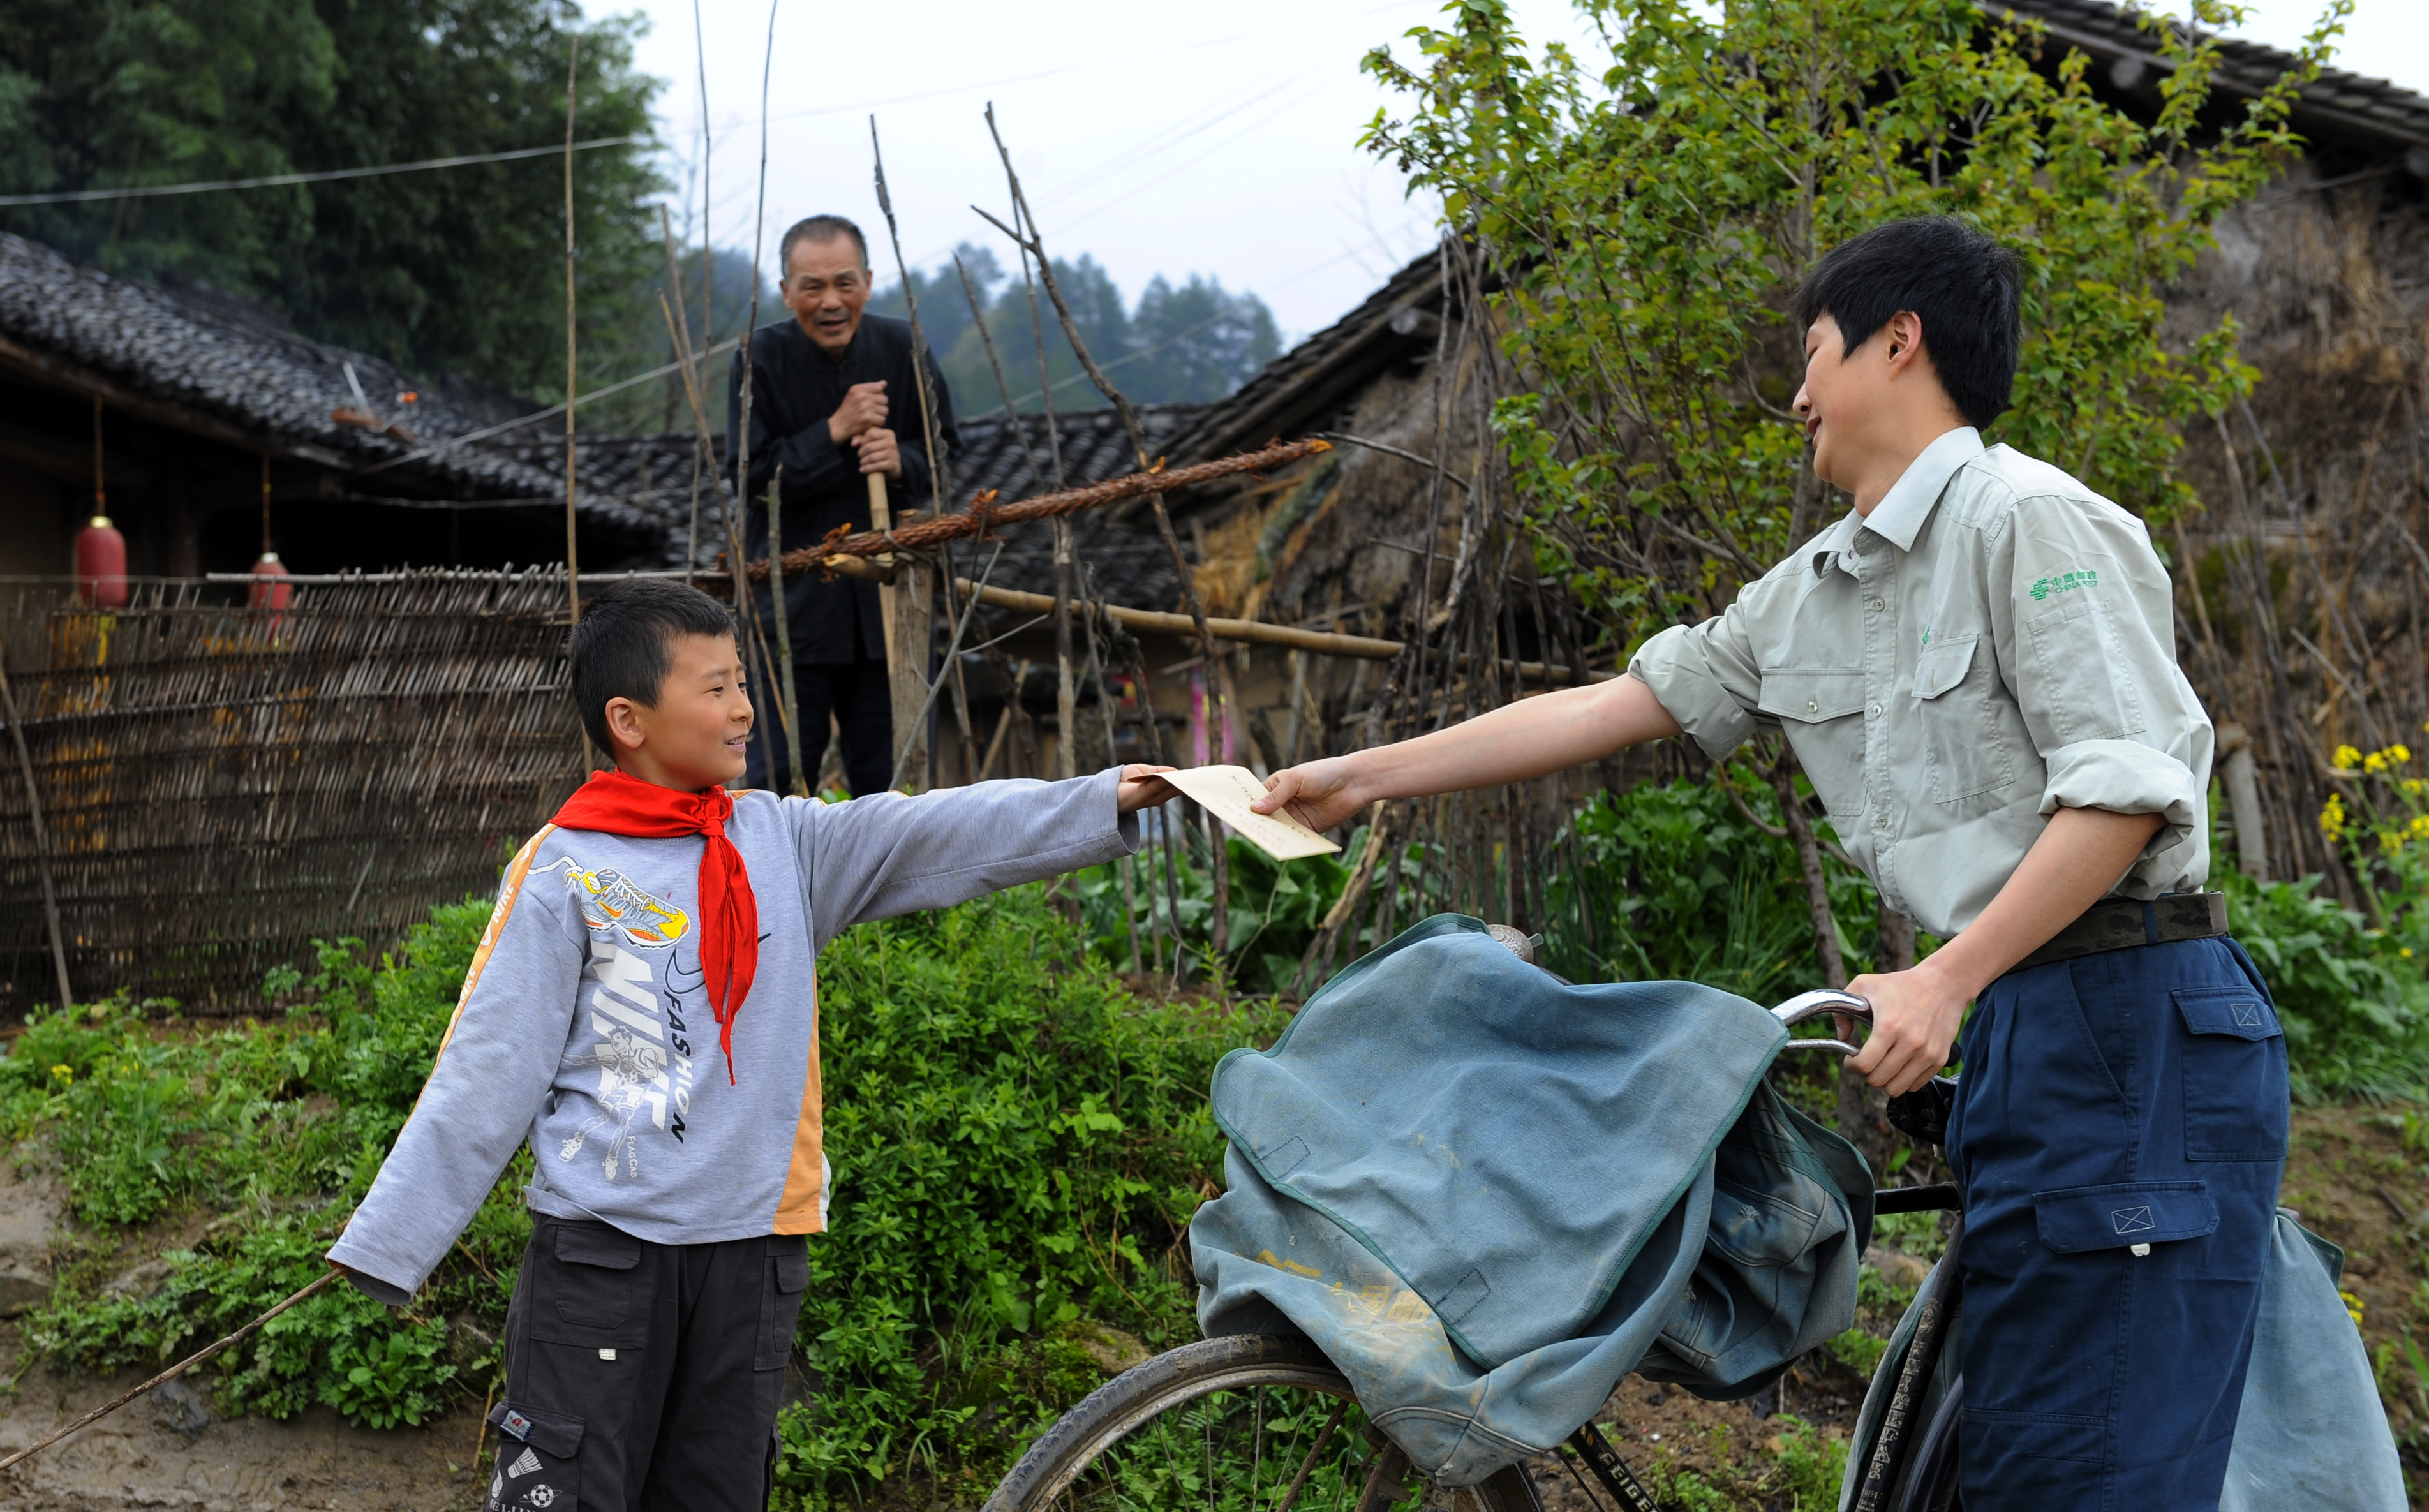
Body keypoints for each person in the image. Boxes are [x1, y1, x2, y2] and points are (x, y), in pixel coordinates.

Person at [1252, 216, 2280, 1512]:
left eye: (1812, 355)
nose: (1795, 396)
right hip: (2022, 1032)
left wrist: (1945, 975)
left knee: (2090, 1476)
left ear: (1895, 342)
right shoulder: (1821, 588)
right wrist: (1365, 776)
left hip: (2134, 1027)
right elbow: (1607, 706)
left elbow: (2122, 798)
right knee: (1991, 1464)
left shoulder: (2030, 521)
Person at [327, 578, 1173, 1512]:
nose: (743, 710)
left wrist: (1109, 799)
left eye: (741, 684)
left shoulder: (785, 842)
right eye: (716, 687)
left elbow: (940, 828)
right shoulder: (567, 866)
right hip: (602, 1258)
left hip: (750, 1257)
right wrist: (390, 1244)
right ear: (630, 718)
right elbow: (489, 1067)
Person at [725, 213, 958, 797]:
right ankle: (775, 889)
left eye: (844, 283)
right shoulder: (758, 360)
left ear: (869, 282)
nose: (831, 301)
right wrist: (835, 430)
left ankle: (891, 889)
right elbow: (752, 480)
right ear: (786, 292)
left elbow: (949, 460)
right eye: (813, 286)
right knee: (776, 779)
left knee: (893, 784)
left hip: (889, 611)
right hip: (793, 611)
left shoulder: (904, 349)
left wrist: (900, 458)